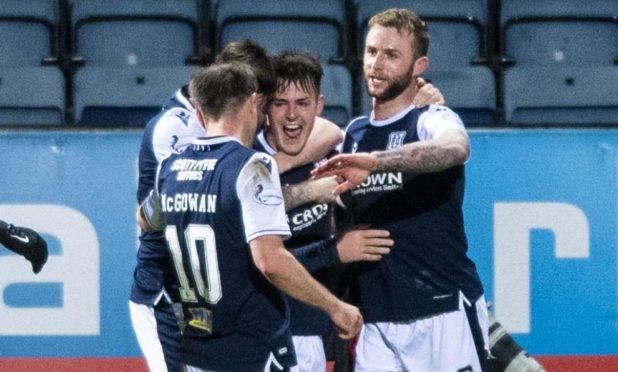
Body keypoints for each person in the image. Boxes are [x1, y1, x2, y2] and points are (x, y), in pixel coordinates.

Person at [128, 40, 344, 372]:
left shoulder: (193, 153)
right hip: (167, 294)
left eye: (302, 103)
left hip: (210, 300)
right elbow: (248, 236)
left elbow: (145, 216)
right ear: (251, 98)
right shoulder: (176, 130)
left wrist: (271, 166)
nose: (269, 118)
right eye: (268, 104)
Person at [311, 8, 491, 371]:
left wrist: (377, 162)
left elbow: (455, 149)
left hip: (442, 311)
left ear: (419, 65)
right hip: (377, 320)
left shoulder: (431, 118)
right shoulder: (352, 136)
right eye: (372, 51)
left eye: (392, 55)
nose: (377, 64)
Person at [255, 50, 396, 372]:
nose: (292, 115)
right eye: (280, 103)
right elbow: (256, 264)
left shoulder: (339, 156)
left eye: (302, 103)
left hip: (314, 333)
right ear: (264, 107)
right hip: (263, 333)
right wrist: (335, 251)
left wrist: (425, 105)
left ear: (318, 106)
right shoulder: (246, 160)